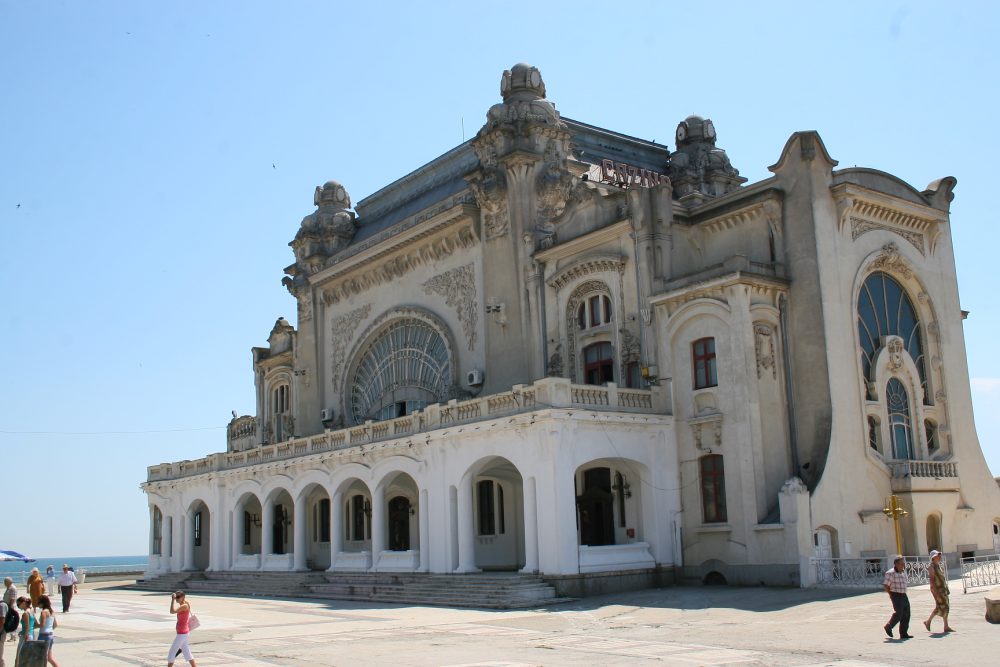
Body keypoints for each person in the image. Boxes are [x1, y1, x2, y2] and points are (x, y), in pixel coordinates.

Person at [923, 549, 954, 633]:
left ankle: (944, 625)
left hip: (943, 589)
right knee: (941, 606)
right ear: (933, 557)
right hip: (937, 590)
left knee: (945, 606)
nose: (939, 557)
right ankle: (929, 622)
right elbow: (932, 580)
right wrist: (935, 592)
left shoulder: (939, 566)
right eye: (937, 556)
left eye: (939, 555)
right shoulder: (932, 567)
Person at [882, 556, 912, 639]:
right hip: (896, 595)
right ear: (896, 564)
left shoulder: (903, 572)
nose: (903, 565)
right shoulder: (890, 573)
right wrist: (891, 594)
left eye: (904, 563)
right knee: (899, 613)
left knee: (906, 613)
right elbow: (886, 585)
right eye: (901, 563)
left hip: (904, 594)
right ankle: (889, 626)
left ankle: (903, 633)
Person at [166, 590, 197, 667]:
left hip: (182, 634)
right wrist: (179, 598)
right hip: (184, 633)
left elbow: (172, 611)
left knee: (172, 652)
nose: (177, 599)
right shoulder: (184, 604)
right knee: (187, 653)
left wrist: (172, 600)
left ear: (183, 597)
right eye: (176, 597)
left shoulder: (184, 606)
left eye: (178, 597)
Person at [34, 595, 58, 667]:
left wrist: (35, 625)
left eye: (38, 603)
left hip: (43, 635)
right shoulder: (52, 612)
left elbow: (42, 625)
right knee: (49, 658)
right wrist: (49, 629)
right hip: (50, 635)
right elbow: (55, 625)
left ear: (42, 603)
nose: (37, 604)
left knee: (41, 657)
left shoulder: (44, 612)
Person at [14, 596, 33, 667]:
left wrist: (25, 634)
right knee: (27, 657)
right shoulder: (32, 611)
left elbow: (27, 625)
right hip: (31, 635)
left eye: (19, 604)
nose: (18, 606)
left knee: (18, 657)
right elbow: (33, 625)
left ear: (24, 603)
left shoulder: (25, 613)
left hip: (26, 636)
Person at [2, 579, 16, 644]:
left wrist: (9, 607)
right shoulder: (8, 588)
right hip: (7, 606)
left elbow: (12, 599)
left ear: (9, 582)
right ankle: (10, 635)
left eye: (5, 582)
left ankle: (13, 636)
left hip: (10, 607)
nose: (4, 583)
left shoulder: (12, 588)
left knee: (10, 621)